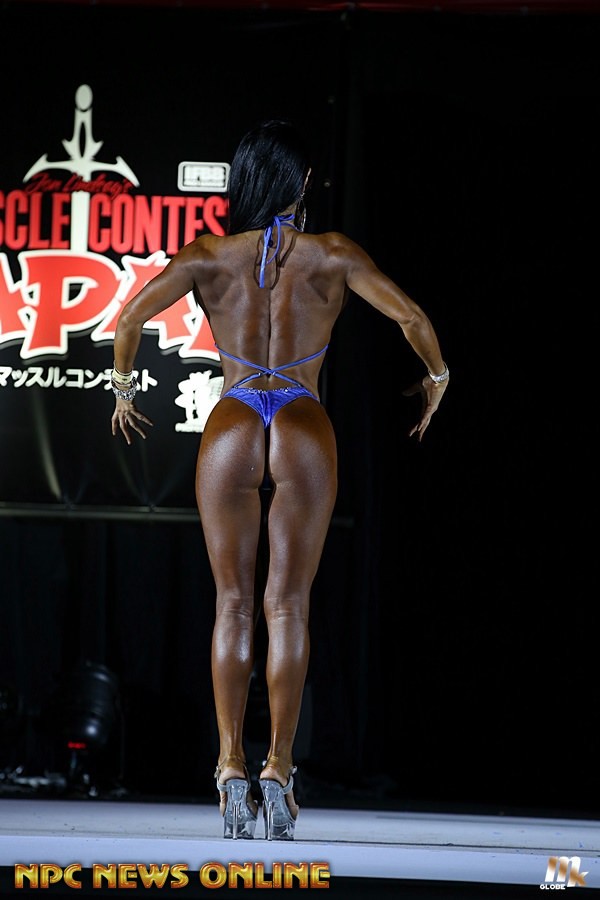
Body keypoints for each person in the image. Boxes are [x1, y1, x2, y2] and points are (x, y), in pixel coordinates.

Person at [110, 119, 449, 841]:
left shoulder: (209, 255)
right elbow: (413, 317)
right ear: (302, 183)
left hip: (234, 420)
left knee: (233, 604)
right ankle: (279, 771)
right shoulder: (333, 253)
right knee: (287, 606)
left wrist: (124, 390)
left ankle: (229, 768)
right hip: (302, 420)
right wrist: (438, 378)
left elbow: (130, 316)